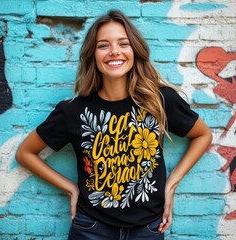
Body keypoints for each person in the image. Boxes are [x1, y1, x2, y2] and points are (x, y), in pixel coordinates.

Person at [16, 10, 212, 240]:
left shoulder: (159, 100)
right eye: (103, 45)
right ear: (93, 55)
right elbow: (25, 153)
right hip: (91, 228)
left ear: (134, 51)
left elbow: (203, 135)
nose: (114, 52)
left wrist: (171, 184)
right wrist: (71, 188)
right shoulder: (74, 111)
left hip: (148, 229)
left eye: (123, 43)